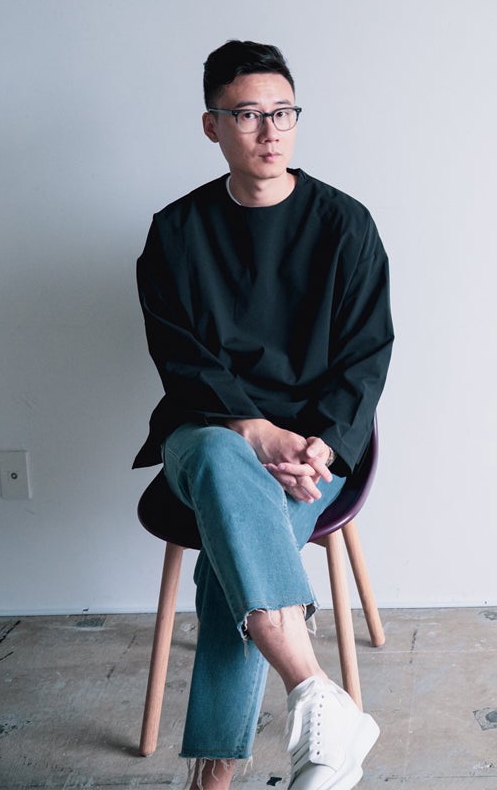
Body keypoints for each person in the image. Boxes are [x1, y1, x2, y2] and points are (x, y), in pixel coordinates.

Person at [132, 40, 395, 790]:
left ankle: (215, 774)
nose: (270, 131)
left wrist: (316, 448)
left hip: (310, 454)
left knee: (236, 546)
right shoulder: (176, 232)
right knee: (224, 463)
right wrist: (252, 430)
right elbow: (180, 358)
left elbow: (366, 356)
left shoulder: (345, 225)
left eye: (283, 113)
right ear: (212, 125)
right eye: (248, 115)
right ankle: (316, 692)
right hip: (206, 432)